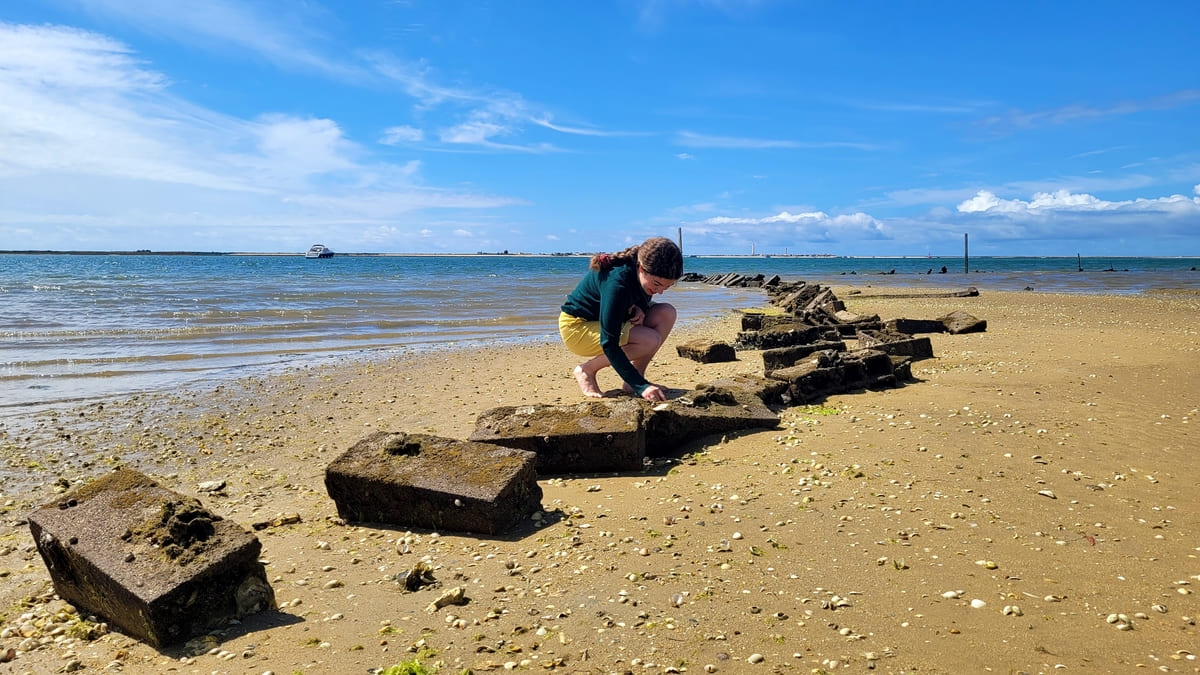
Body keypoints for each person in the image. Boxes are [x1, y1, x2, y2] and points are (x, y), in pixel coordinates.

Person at [558, 237, 683, 402]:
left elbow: (634, 299)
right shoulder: (617, 283)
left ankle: (634, 379)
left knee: (666, 312)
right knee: (649, 340)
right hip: (576, 328)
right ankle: (586, 370)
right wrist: (642, 387)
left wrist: (639, 308)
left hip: (600, 320)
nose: (659, 291)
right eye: (657, 284)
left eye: (667, 287)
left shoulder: (642, 276)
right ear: (641, 268)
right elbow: (609, 342)